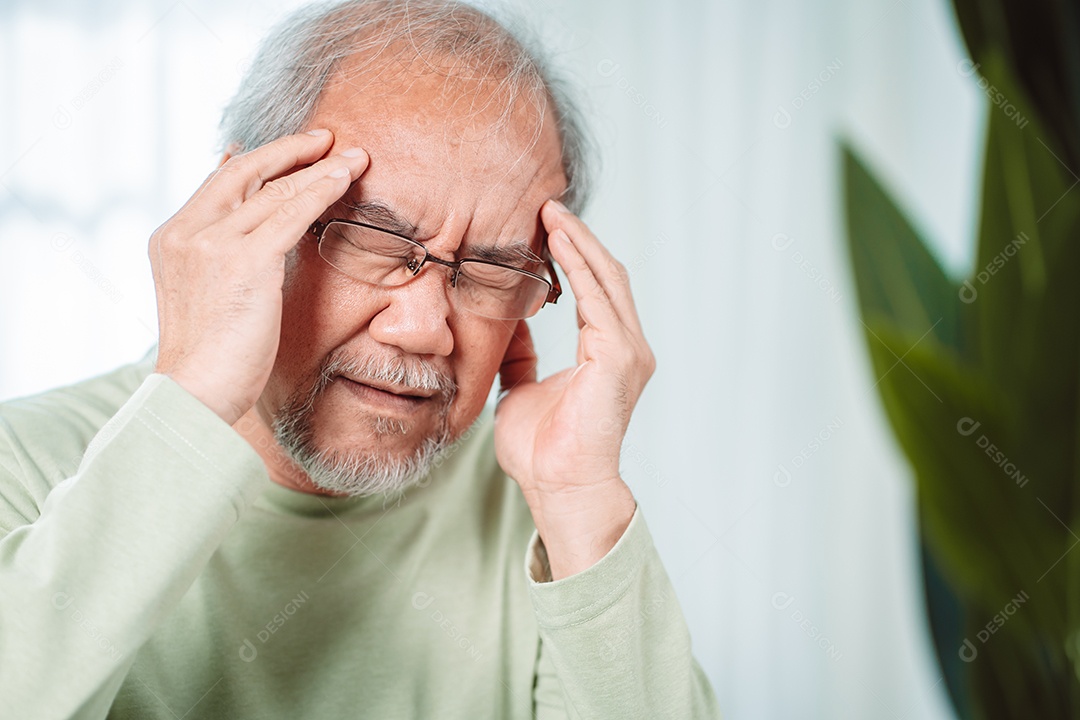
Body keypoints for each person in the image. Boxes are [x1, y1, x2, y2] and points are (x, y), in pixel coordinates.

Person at [0, 1, 721, 717]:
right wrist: (190, 401)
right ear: (240, 214)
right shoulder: (22, 467)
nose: (423, 329)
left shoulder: (545, 520)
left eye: (491, 270)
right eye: (369, 238)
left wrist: (579, 503)